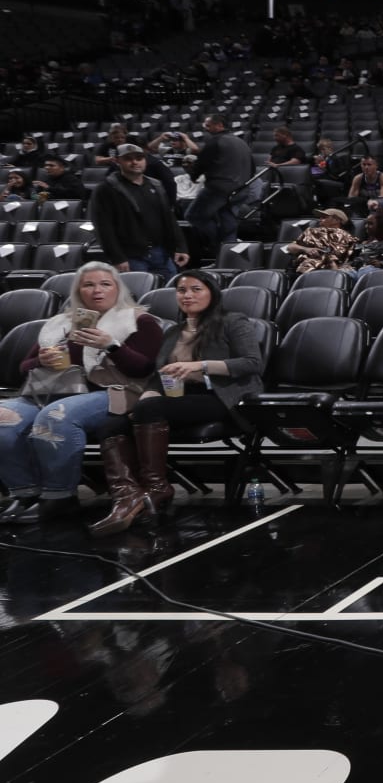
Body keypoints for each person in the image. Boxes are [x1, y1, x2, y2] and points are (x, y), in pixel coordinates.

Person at [94, 270, 265, 535]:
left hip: (224, 398)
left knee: (150, 409)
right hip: (180, 398)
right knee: (111, 426)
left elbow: (252, 363)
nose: (187, 295)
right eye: (182, 290)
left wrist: (201, 366)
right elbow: (160, 373)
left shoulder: (233, 321)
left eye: (196, 289)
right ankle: (127, 495)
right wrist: (149, 392)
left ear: (212, 293)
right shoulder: (173, 331)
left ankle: (156, 487)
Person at [0, 264, 161, 525]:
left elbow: (144, 368)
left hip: (112, 391)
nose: (97, 290)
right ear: (79, 290)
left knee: (55, 417)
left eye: (105, 284)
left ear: (118, 287)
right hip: (50, 391)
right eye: (88, 284)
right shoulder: (61, 323)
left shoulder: (139, 320)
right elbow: (23, 368)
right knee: (3, 420)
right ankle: (25, 493)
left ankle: (59, 497)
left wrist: (111, 346)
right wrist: (41, 360)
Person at [90, 144, 188, 281]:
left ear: (145, 160)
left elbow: (169, 219)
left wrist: (180, 246)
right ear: (118, 161)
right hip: (131, 256)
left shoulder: (156, 185)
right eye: (128, 159)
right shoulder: (106, 189)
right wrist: (117, 257)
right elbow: (103, 227)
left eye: (139, 158)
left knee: (170, 294)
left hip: (162, 253)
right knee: (139, 298)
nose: (135, 162)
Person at [183, 115, 255, 260]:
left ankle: (219, 243)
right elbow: (253, 168)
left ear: (219, 125)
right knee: (228, 222)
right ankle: (228, 259)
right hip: (241, 189)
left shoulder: (216, 141)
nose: (205, 128)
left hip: (219, 188)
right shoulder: (241, 142)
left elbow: (202, 163)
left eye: (208, 126)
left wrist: (193, 176)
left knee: (193, 216)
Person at [286, 208, 358, 274]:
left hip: (329, 269)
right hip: (302, 267)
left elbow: (341, 256)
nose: (320, 219)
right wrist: (306, 249)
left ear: (337, 220)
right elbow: (290, 247)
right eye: (320, 217)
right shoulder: (311, 231)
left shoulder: (346, 237)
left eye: (324, 217)